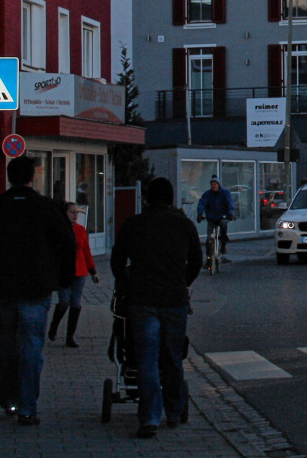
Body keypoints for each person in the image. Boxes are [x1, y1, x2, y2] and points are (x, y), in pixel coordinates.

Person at [0, 156, 76, 426]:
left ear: (8, 177)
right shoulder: (46, 207)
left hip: (4, 288)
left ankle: (9, 401)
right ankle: (28, 406)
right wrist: (63, 279)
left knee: (6, 347)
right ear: (32, 178)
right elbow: (69, 244)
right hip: (37, 289)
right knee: (31, 347)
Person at [112, 176, 201, 440]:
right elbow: (196, 261)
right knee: (172, 358)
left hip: (142, 300)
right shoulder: (184, 225)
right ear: (171, 199)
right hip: (174, 300)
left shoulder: (134, 224)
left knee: (146, 360)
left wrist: (127, 284)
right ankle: (174, 412)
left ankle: (149, 418)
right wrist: (182, 282)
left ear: (147, 198)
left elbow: (117, 261)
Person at [48, 201, 99, 347]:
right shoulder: (59, 230)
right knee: (64, 301)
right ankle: (54, 325)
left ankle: (70, 336)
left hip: (80, 271)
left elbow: (86, 251)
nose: (75, 215)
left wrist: (93, 271)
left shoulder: (81, 230)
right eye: (72, 212)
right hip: (64, 271)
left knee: (75, 303)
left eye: (77, 213)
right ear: (65, 213)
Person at [195, 176, 236, 263]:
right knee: (209, 239)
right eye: (212, 184)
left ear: (218, 184)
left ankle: (223, 242)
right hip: (211, 217)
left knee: (223, 224)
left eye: (215, 184)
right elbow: (202, 203)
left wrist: (230, 213)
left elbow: (230, 203)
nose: (213, 186)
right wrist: (200, 214)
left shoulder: (225, 193)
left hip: (222, 216)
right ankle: (209, 260)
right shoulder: (207, 194)